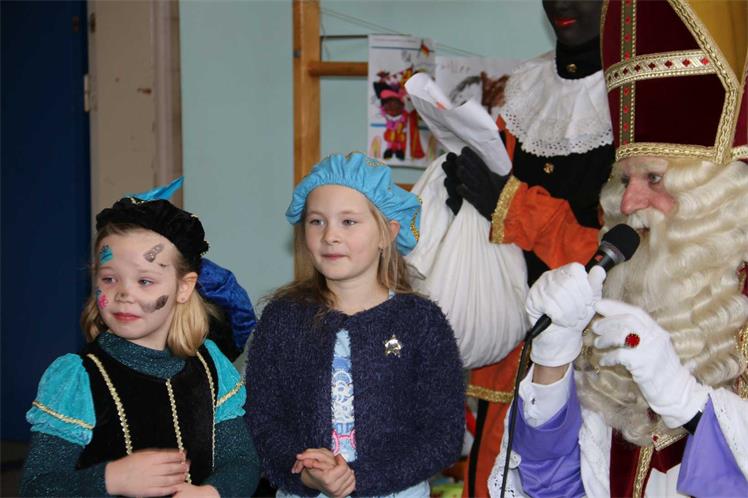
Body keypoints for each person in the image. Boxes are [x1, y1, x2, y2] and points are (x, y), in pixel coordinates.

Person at [488, 0, 748, 495]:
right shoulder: (622, 293)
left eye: (654, 179)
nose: (628, 203)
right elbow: (553, 486)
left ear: (713, 196)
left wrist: (688, 402)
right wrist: (553, 363)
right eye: (625, 180)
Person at [441, 2, 614, 495]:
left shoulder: (639, 103)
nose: (562, 3)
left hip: (598, 364)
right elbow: (496, 204)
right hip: (512, 347)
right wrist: (464, 190)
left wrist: (512, 204)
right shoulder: (526, 90)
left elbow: (628, 257)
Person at [19, 180, 261, 497]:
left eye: (145, 281)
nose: (123, 294)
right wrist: (110, 479)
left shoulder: (211, 365)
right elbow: (37, 487)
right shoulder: (78, 379)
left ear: (184, 287)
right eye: (109, 278)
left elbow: (242, 461)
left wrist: (212, 493)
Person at [246, 152, 465, 498]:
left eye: (348, 221)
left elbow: (443, 434)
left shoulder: (421, 322)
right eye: (316, 221)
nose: (330, 235)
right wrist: (307, 474)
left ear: (387, 233)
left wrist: (357, 478)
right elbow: (262, 421)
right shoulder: (283, 319)